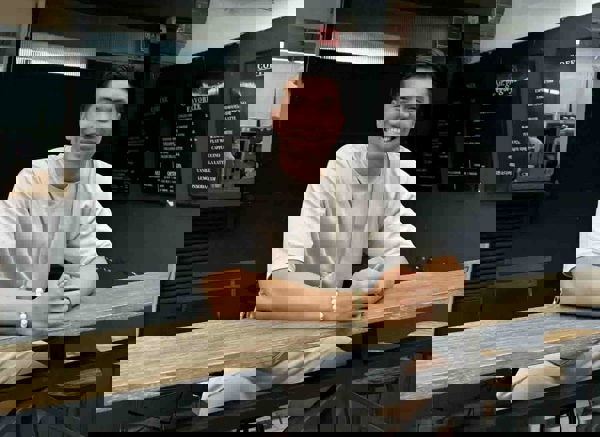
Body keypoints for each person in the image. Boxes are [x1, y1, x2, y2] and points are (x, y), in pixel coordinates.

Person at [200, 52, 464, 424]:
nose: (405, 116)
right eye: (400, 103)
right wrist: (350, 305)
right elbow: (268, 297)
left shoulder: (394, 174)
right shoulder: (331, 173)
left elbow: (397, 261)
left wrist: (386, 290)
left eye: (417, 107)